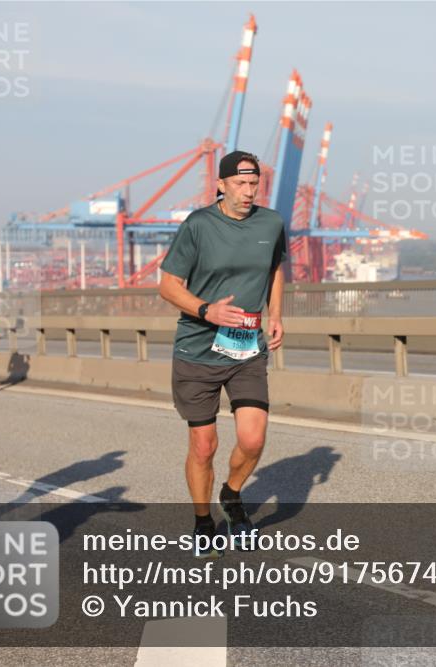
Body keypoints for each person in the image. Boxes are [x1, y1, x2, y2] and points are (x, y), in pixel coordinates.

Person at [158, 151, 286, 557]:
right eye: (240, 184)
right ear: (221, 185)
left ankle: (231, 496)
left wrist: (276, 314)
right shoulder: (198, 225)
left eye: (254, 185)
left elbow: (275, 268)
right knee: (204, 446)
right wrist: (206, 309)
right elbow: (168, 285)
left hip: (247, 348)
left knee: (253, 438)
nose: (248, 192)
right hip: (197, 350)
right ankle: (202, 522)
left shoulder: (271, 223)